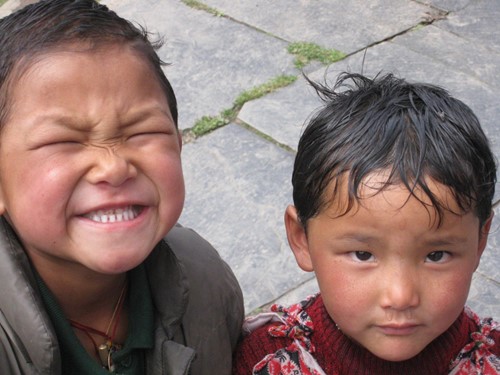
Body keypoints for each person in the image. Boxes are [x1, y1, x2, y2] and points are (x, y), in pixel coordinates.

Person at [0, 0, 244, 374]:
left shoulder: (205, 278)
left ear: (178, 146)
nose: (114, 167)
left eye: (144, 132)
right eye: (62, 141)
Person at [232, 72, 500, 374]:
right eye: (362, 254)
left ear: (480, 241)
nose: (400, 297)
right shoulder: (264, 359)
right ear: (301, 238)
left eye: (436, 255)